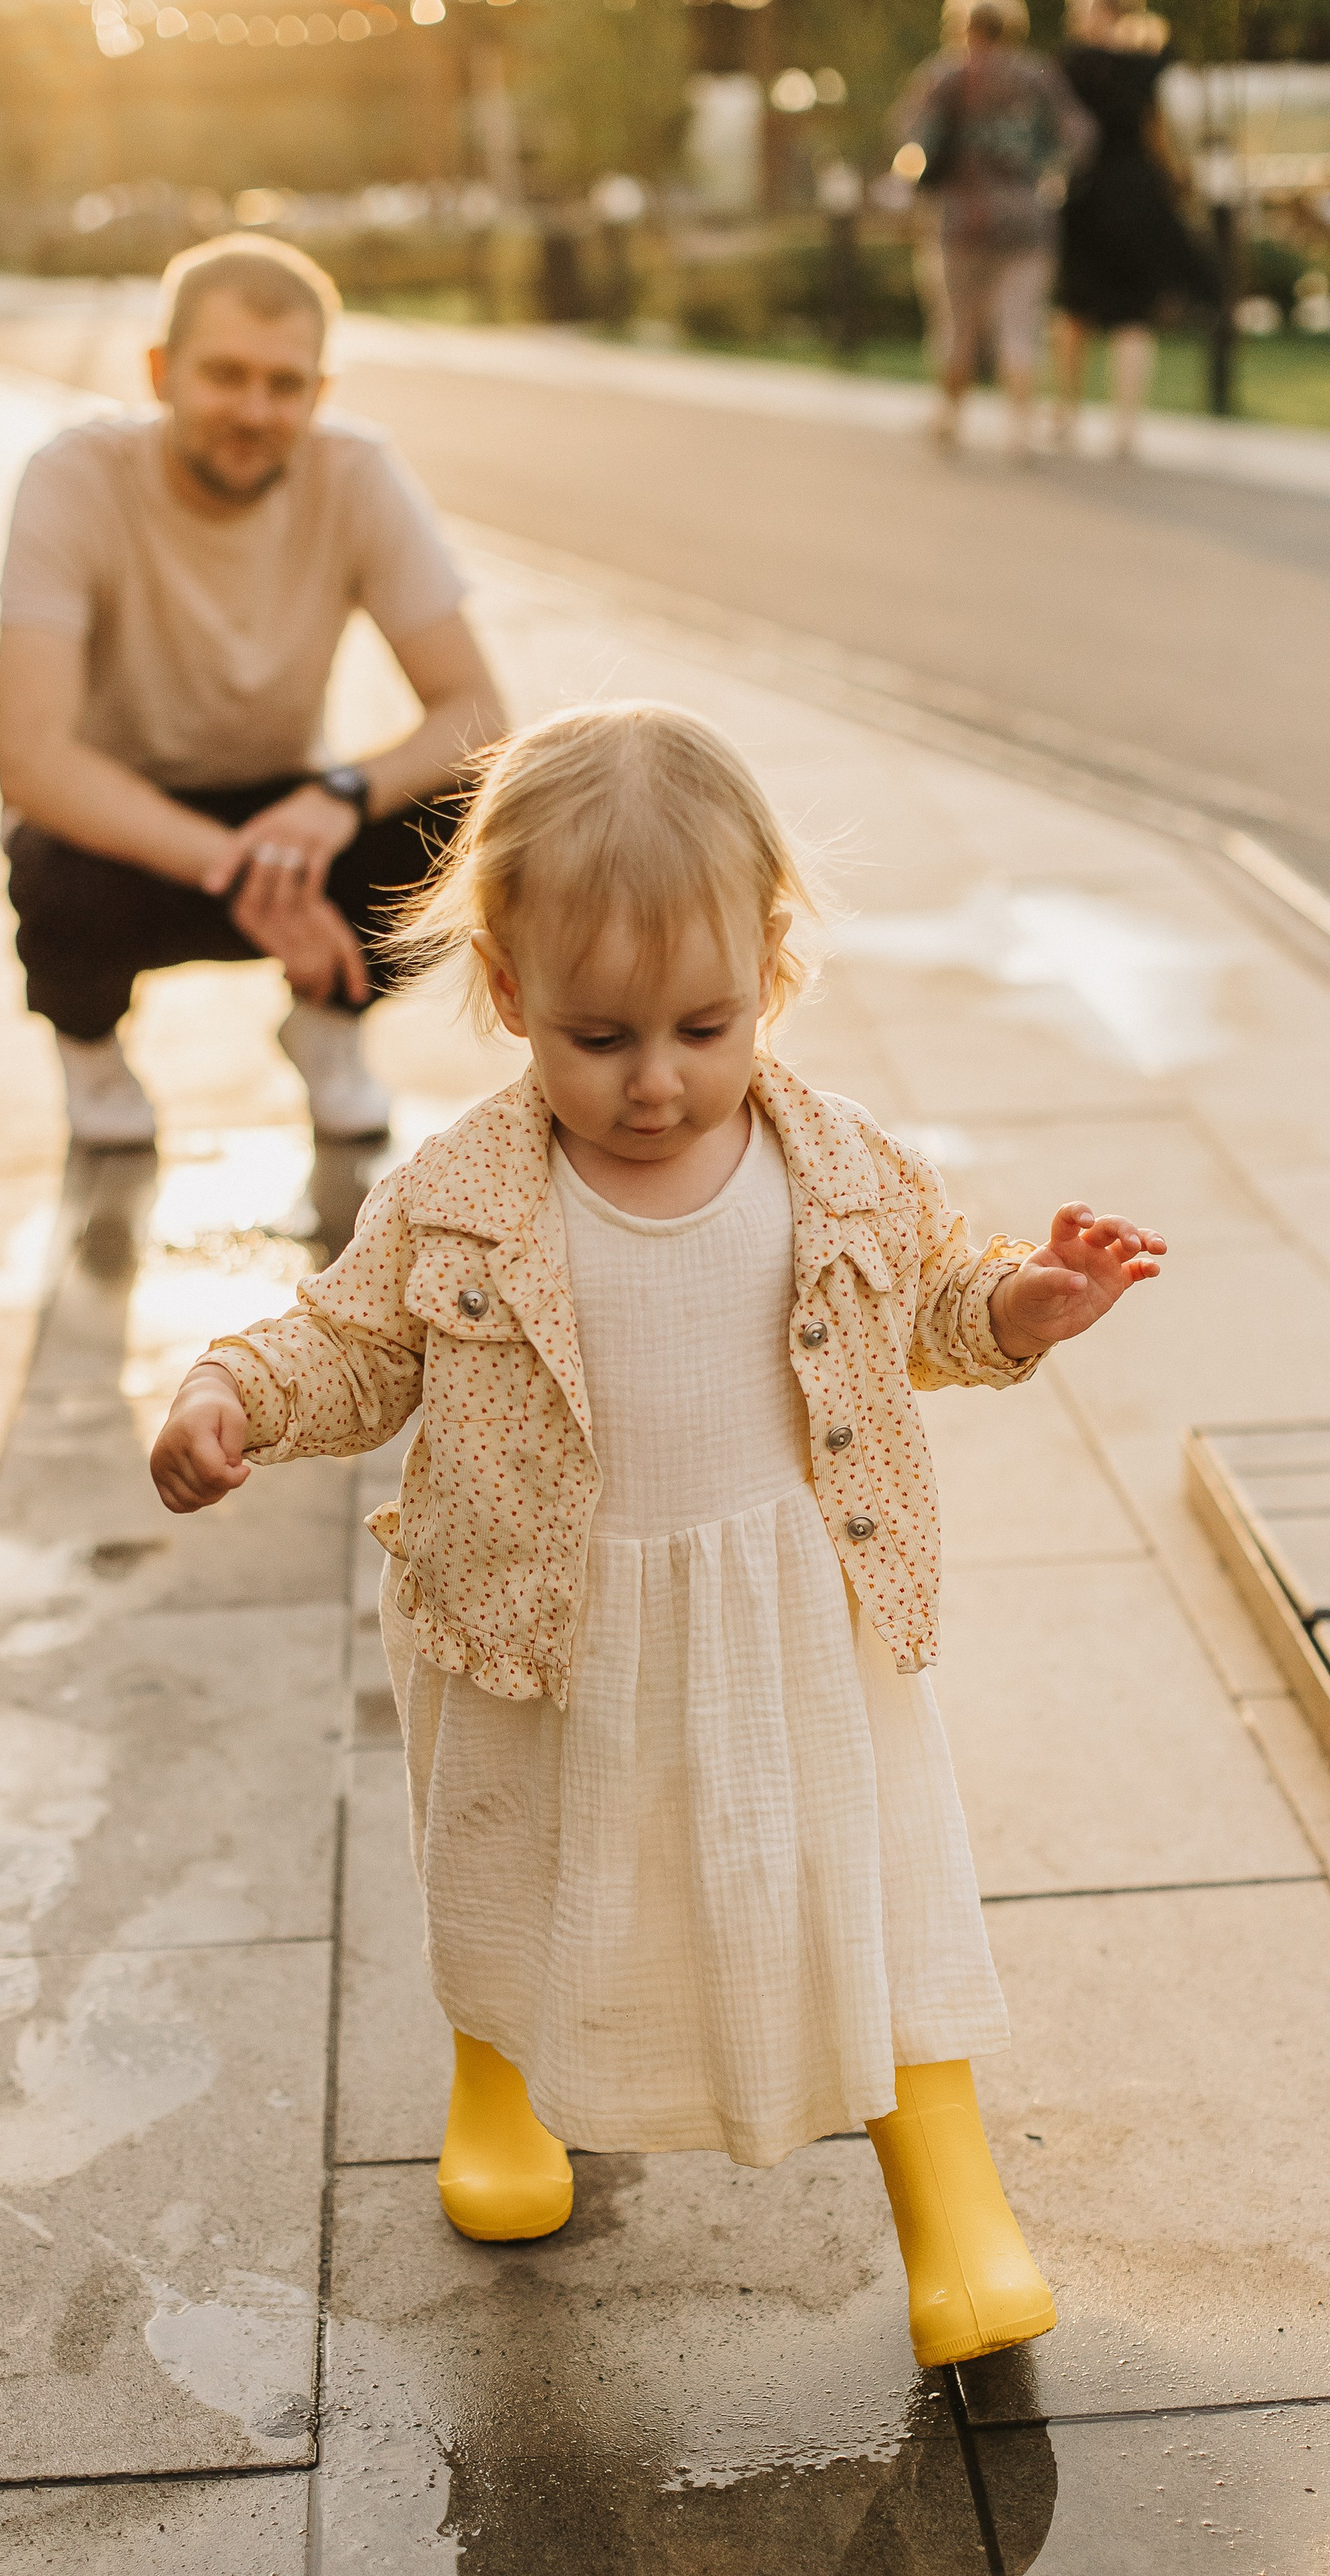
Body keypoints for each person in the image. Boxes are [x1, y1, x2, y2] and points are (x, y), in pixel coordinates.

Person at [148, 702, 1169, 2371]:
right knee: (522, 1860)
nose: (656, 1078)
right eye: (595, 1033)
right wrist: (230, 1392)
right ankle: (502, 2080)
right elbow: (348, 1336)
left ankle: (948, 2183)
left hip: (789, 1604)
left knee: (874, 1875)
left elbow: (928, 1293)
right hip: (540, 1621)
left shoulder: (823, 1160)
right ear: (504, 991)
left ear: (768, 968)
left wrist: (1025, 1303)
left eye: (700, 1024)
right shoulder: (461, 1191)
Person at [0, 232, 505, 1181]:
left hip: (286, 810)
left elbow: (476, 711)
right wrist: (239, 872)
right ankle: (94, 1060)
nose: (256, 410)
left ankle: (326, 1024)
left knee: (476, 811)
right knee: (48, 858)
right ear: (160, 372)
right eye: (225, 375)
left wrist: (340, 797)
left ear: (319, 393)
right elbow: (32, 758)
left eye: (285, 385)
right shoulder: (72, 479)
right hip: (126, 833)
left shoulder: (355, 472)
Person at [901, 0, 1090, 459]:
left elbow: (914, 141)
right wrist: (1050, 172)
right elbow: (1079, 133)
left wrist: (916, 179)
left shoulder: (944, 76)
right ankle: (1019, 429)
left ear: (961, 27)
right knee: (1020, 326)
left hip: (962, 218)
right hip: (1027, 218)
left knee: (958, 324)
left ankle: (949, 416)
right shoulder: (1038, 76)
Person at [1051, 0, 1215, 460]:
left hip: (1087, 195)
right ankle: (1126, 427)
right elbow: (1160, 134)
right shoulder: (1149, 66)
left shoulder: (1071, 66)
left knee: (1074, 308)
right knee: (1131, 315)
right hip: (1139, 195)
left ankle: (1067, 413)